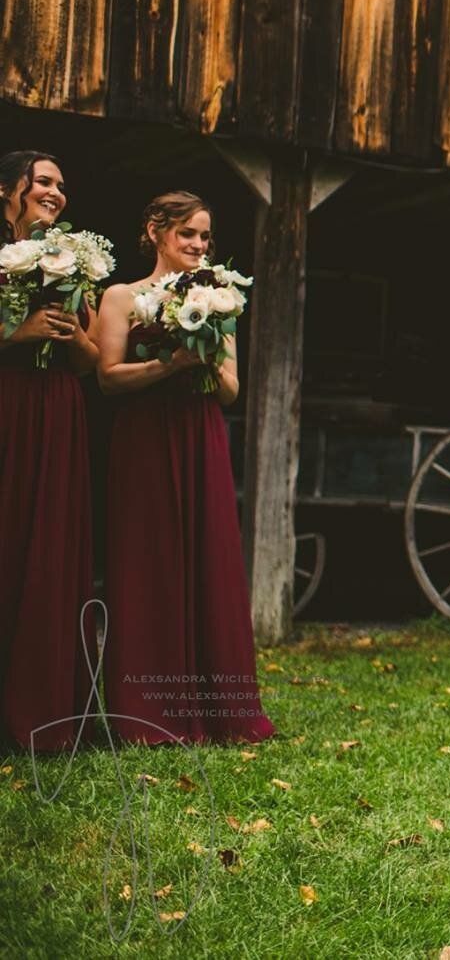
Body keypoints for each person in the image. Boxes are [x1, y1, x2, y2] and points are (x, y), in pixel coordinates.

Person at [96, 192, 274, 744]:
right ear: (156, 231)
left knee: (207, 557)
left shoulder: (220, 300)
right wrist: (167, 363)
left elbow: (230, 390)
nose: (198, 245)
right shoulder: (121, 297)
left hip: (200, 437)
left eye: (205, 237)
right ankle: (147, 713)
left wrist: (204, 363)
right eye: (187, 234)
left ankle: (220, 711)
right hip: (143, 440)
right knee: (147, 559)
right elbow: (107, 379)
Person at [0, 151, 99, 751]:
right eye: (43, 182)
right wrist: (17, 333)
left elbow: (89, 365)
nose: (57, 192)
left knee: (48, 545)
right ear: (8, 188)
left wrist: (74, 336)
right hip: (8, 404)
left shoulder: (71, 262)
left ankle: (42, 704)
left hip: (58, 412)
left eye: (62, 184)